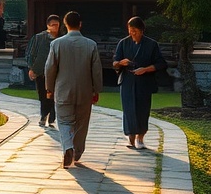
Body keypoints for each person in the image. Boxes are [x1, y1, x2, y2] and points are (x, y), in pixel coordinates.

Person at [44, 11, 103, 168]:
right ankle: (77, 151)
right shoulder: (91, 45)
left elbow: (50, 68)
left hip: (63, 89)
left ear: (65, 24)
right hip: (85, 90)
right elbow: (96, 70)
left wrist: (49, 88)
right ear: (80, 24)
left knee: (64, 121)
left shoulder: (57, 44)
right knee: (82, 123)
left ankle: (68, 147)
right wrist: (96, 89)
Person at [112, 17, 167, 150]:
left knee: (142, 110)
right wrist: (120, 63)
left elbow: (161, 64)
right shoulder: (123, 43)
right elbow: (114, 63)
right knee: (129, 109)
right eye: (130, 31)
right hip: (127, 81)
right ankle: (131, 138)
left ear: (142, 30)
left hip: (144, 82)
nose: (132, 33)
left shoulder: (151, 44)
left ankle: (140, 138)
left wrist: (145, 69)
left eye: (135, 31)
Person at [25, 15, 61, 128]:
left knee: (53, 95)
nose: (55, 27)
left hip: (56, 72)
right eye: (53, 25)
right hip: (40, 71)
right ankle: (44, 115)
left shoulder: (61, 39)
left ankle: (50, 116)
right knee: (42, 94)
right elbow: (30, 53)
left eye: (57, 25)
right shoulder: (39, 38)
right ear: (48, 25)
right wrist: (31, 68)